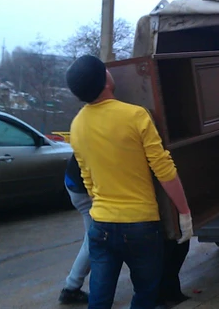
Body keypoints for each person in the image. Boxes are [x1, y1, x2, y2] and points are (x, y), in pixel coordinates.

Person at [66, 54, 193, 309]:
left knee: (99, 300)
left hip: (101, 225)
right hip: (141, 226)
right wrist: (185, 212)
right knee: (146, 293)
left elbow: (88, 178)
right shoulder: (136, 115)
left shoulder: (77, 124)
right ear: (106, 81)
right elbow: (164, 170)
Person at [58, 154, 92, 305]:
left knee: (95, 238)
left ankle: (72, 287)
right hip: (83, 189)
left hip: (75, 182)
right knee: (94, 239)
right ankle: (71, 288)